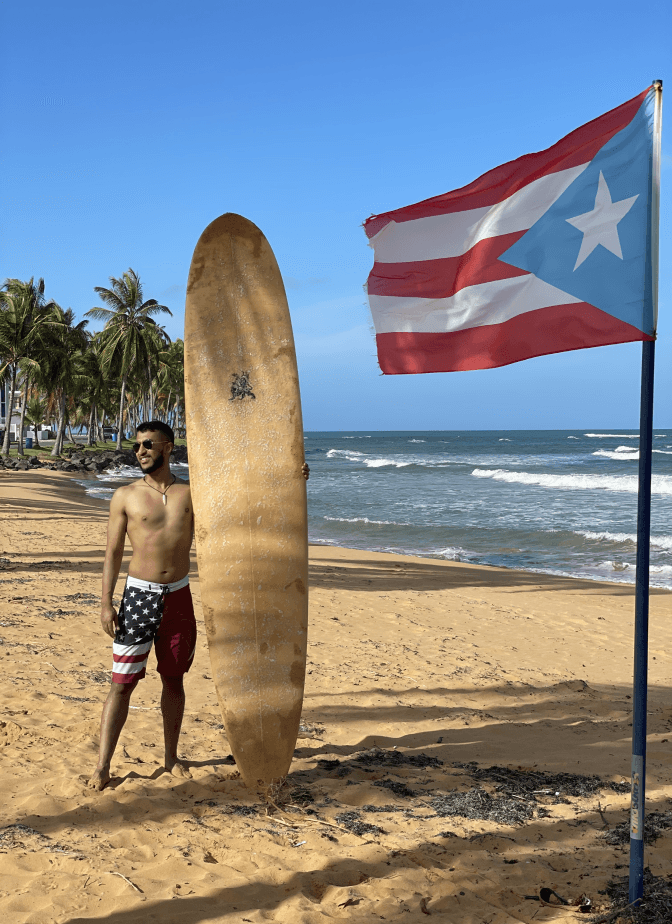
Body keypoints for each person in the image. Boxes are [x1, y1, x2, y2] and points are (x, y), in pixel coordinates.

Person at [88, 419, 309, 791]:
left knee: (173, 679)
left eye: (147, 444)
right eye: (137, 446)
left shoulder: (193, 494)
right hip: (139, 596)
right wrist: (106, 603)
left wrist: (290, 477)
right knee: (122, 683)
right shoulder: (125, 496)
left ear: (168, 447)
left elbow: (245, 501)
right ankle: (102, 765)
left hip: (179, 595)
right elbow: (112, 553)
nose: (139, 451)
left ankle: (171, 757)